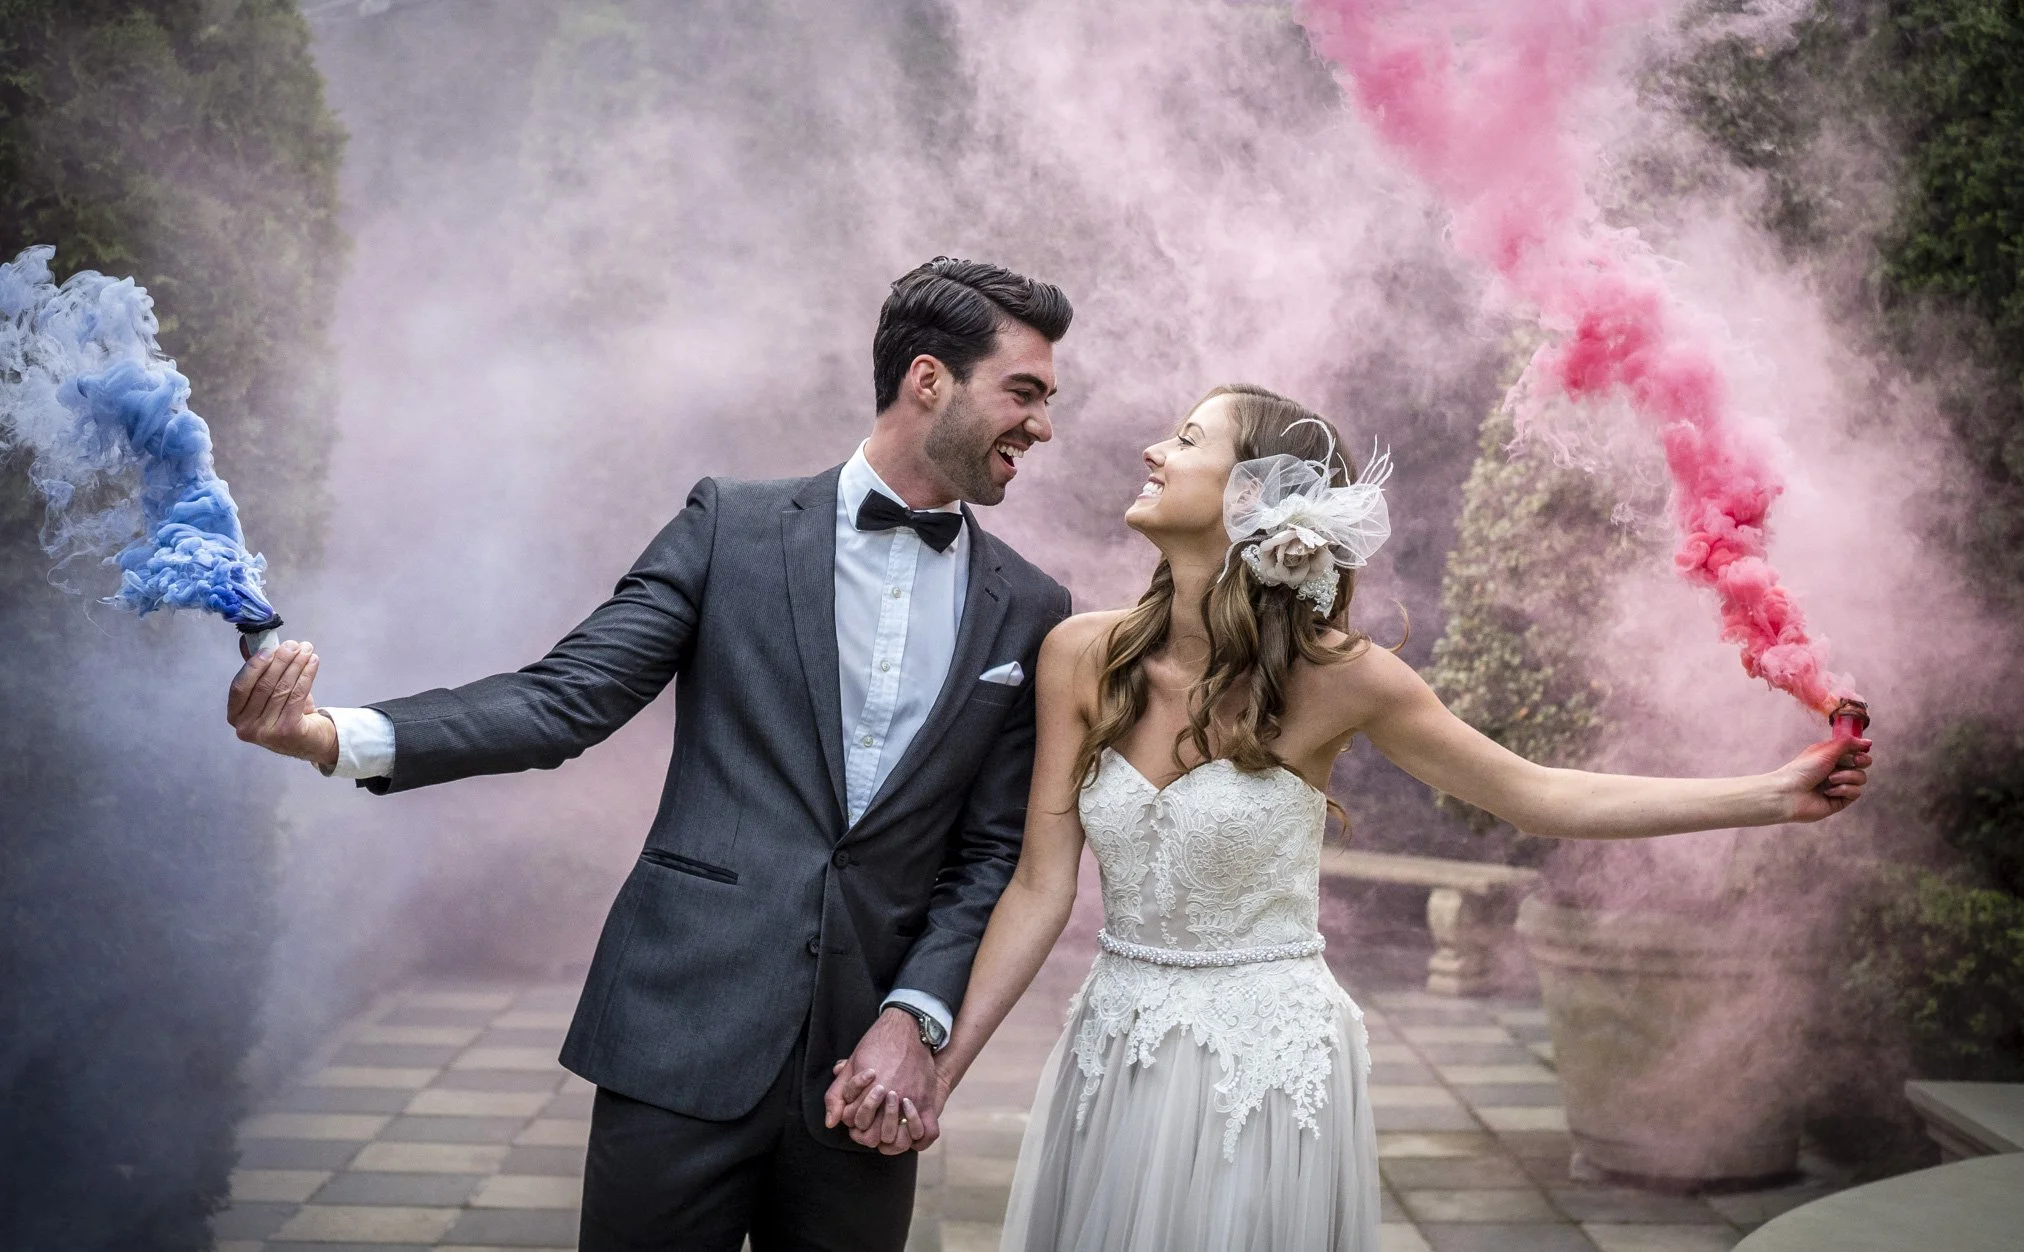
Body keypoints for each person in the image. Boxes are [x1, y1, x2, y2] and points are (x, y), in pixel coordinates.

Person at [825, 383, 1873, 1251]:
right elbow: (1039, 884)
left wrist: (1768, 795)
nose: (1153, 448)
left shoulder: (1342, 679)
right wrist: (942, 1065)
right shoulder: (1078, 655)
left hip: (1265, 1069)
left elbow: (1536, 791)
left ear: (1254, 496)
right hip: (1116, 1048)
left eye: (1186, 439)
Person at [226, 257, 1077, 1252]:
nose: (1042, 426)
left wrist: (915, 1018)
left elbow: (987, 857)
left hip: (864, 1073)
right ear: (928, 379)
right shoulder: (731, 526)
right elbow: (562, 700)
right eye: (1024, 392)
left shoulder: (1030, 607)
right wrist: (333, 734)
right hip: (679, 1030)